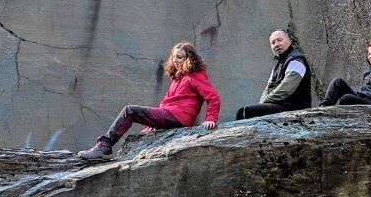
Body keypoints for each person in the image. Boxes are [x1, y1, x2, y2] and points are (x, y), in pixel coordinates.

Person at [78, 41, 220, 161]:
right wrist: (153, 122)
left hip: (178, 116)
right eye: (174, 57)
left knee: (129, 111)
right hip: (170, 114)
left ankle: (104, 146)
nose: (175, 60)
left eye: (180, 57)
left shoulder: (195, 76)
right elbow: (167, 103)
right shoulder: (179, 77)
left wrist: (211, 118)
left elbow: (213, 98)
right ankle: (108, 150)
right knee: (142, 135)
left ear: (189, 59)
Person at [235, 29, 312, 120]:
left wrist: (265, 101)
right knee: (245, 111)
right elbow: (267, 89)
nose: (276, 44)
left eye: (280, 40)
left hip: (296, 108)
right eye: (273, 42)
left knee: (245, 112)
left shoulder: (296, 61)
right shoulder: (277, 66)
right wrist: (262, 103)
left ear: (289, 41)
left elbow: (286, 89)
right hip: (280, 105)